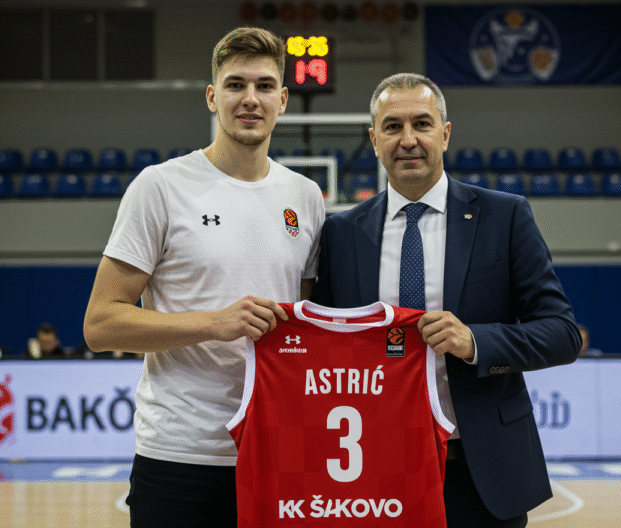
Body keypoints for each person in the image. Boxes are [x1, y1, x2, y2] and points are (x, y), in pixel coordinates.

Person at [310, 72, 581, 527]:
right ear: (374, 140)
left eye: (422, 123)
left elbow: (562, 333)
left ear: (446, 133)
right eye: (393, 127)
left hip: (482, 470)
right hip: (372, 468)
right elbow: (322, 347)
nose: (409, 139)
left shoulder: (504, 216)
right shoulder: (341, 233)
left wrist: (474, 340)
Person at [82, 26, 325, 528]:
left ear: (282, 100)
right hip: (179, 454)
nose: (249, 99)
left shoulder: (305, 197)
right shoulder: (161, 187)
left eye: (263, 86)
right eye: (235, 85)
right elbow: (101, 325)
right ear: (212, 98)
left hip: (276, 452)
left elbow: (304, 323)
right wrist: (214, 323)